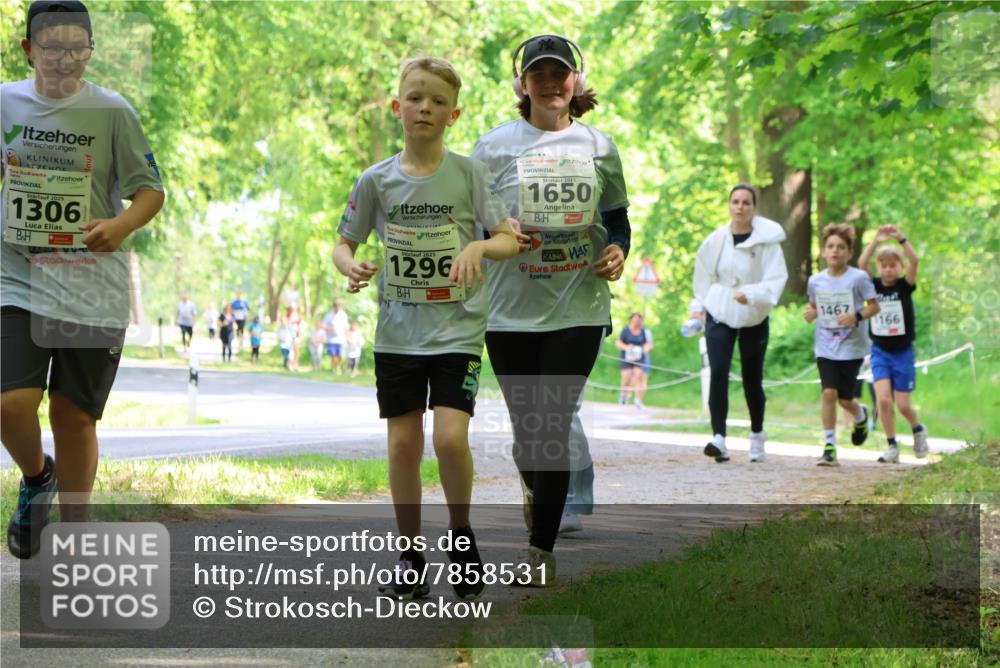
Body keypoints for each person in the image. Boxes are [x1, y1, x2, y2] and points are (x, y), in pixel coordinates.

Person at [333, 56, 519, 600]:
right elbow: (344, 243)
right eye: (415, 97)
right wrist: (353, 267)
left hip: (458, 332)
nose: (425, 107)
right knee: (402, 448)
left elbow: (507, 238)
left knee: (450, 438)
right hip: (398, 335)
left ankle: (460, 535)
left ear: (453, 114)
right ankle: (410, 555)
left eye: (438, 101)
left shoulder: (469, 175)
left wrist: (481, 244)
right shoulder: (376, 180)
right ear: (397, 107)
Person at [1, 0, 164, 558]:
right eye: (53, 48)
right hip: (15, 277)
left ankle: (75, 537)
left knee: (72, 415)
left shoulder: (112, 111)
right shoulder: (3, 102)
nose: (66, 60)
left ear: (90, 50)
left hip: (89, 286)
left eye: (78, 49)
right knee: (8, 404)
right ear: (29, 49)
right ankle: (36, 476)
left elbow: (150, 190)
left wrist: (119, 225)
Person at [472, 34, 630, 584]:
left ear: (575, 81)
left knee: (553, 423)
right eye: (538, 73)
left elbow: (617, 220)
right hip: (510, 310)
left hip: (579, 305)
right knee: (528, 433)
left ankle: (539, 553)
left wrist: (618, 252)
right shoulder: (491, 148)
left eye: (559, 72)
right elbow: (467, 225)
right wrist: (497, 230)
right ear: (523, 83)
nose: (549, 81)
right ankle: (537, 489)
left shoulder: (600, 146)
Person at [690, 185, 788, 463]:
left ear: (753, 208)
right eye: (735, 202)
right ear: (729, 205)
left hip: (753, 315)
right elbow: (703, 276)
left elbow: (775, 279)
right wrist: (699, 306)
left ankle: (757, 435)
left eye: (746, 202)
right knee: (718, 371)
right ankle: (718, 437)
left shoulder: (767, 243)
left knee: (751, 378)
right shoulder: (716, 240)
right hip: (720, 309)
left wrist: (753, 295)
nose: (740, 207)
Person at [804, 223, 880, 466]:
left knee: (845, 400)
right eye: (830, 247)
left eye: (841, 247)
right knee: (828, 393)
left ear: (849, 252)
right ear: (824, 251)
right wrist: (811, 313)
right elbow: (815, 306)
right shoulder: (816, 281)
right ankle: (829, 446)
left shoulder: (858, 278)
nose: (835, 251)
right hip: (825, 347)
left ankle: (860, 415)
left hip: (852, 347)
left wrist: (856, 316)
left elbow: (874, 306)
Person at [858, 225, 928, 463]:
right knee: (883, 400)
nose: (888, 270)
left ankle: (918, 429)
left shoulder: (904, 287)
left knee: (903, 406)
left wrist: (901, 239)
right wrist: (875, 242)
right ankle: (891, 446)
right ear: (880, 268)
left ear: (900, 268)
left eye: (893, 266)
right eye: (884, 266)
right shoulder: (874, 286)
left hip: (903, 352)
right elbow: (861, 264)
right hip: (880, 351)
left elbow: (915, 260)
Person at [616, 313, 649, 408]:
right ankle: (623, 396)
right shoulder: (625, 330)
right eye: (634, 320)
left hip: (638, 358)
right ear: (631, 320)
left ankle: (638, 400)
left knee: (638, 376)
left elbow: (646, 343)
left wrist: (645, 349)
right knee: (626, 377)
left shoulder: (642, 331)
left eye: (638, 320)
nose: (636, 322)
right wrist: (626, 347)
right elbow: (618, 342)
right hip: (626, 357)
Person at [323, 299, 349, 374]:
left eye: (339, 306)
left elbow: (346, 327)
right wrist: (328, 328)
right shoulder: (329, 315)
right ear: (334, 306)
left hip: (341, 339)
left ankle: (336, 366)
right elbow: (324, 325)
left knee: (342, 356)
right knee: (333, 356)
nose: (337, 307)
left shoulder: (343, 315)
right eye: (336, 306)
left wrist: (347, 338)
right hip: (331, 339)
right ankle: (334, 370)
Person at [284, 304, 302, 371]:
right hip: (290, 336)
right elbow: (286, 325)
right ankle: (289, 364)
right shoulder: (287, 316)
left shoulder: (298, 315)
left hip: (296, 335)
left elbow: (299, 325)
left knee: (297, 351)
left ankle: (295, 364)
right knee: (291, 351)